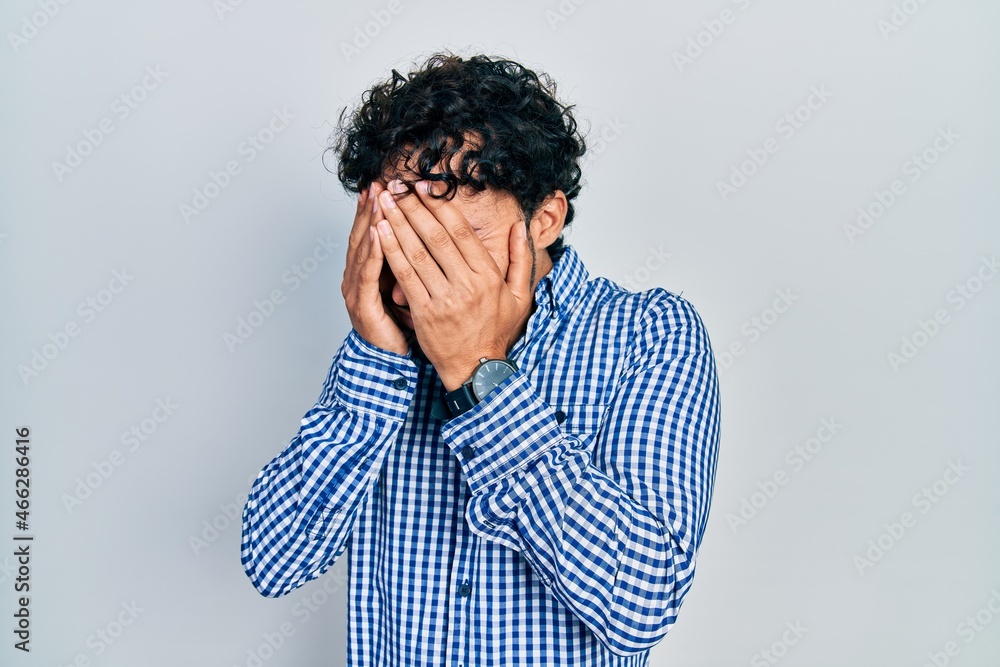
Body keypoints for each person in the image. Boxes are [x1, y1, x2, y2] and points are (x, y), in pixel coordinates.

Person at [240, 50, 721, 666]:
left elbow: (641, 605)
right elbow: (274, 561)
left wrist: (477, 370)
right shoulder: (385, 346)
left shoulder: (649, 334)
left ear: (544, 219)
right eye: (403, 237)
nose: (420, 274)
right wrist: (373, 362)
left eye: (459, 239)